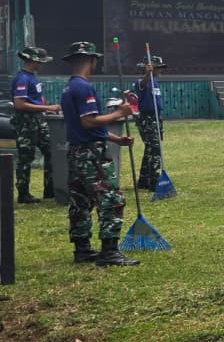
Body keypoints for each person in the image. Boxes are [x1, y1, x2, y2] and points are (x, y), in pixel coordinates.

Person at [60, 41, 137, 267]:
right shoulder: (84, 87)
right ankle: (109, 252)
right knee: (111, 198)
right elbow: (89, 121)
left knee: (80, 201)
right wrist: (120, 113)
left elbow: (86, 127)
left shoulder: (69, 88)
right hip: (91, 154)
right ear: (92, 60)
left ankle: (82, 249)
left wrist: (116, 139)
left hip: (76, 151)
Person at [11, 46, 59, 203]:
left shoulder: (31, 77)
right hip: (26, 123)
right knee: (26, 157)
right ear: (33, 61)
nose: (42, 65)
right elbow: (19, 104)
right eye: (41, 62)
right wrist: (47, 108)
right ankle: (23, 194)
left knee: (51, 152)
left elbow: (34, 100)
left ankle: (50, 190)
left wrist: (44, 109)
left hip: (38, 120)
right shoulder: (22, 79)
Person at [132, 55, 167, 192]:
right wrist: (148, 74)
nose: (160, 71)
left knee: (149, 149)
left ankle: (144, 180)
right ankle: (154, 182)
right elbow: (142, 85)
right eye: (158, 68)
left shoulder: (156, 82)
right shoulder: (141, 82)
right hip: (147, 119)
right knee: (155, 150)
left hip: (156, 118)